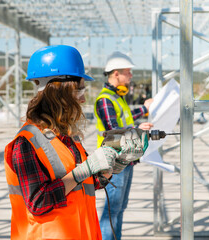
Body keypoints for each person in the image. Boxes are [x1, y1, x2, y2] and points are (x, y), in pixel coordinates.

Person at [4, 45, 146, 240]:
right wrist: (84, 170)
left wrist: (113, 167)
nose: (83, 99)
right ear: (59, 93)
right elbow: (38, 202)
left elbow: (86, 183)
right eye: (79, 90)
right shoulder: (26, 143)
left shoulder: (67, 137)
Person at [94, 51, 153, 240]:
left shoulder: (117, 98)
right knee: (112, 211)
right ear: (116, 74)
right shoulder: (105, 99)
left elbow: (125, 118)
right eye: (127, 72)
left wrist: (144, 108)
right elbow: (113, 128)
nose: (130, 76)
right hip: (114, 161)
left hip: (126, 159)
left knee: (119, 208)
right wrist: (137, 128)